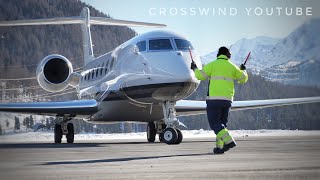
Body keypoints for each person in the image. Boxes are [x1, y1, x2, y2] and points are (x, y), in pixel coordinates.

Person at [191, 46, 248, 154]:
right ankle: (220, 147)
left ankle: (229, 141)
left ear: (218, 54)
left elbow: (200, 76)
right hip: (227, 100)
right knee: (222, 124)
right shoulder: (232, 67)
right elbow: (243, 79)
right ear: (228, 55)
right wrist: (243, 70)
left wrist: (194, 68)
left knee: (215, 123)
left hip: (214, 99)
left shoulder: (213, 65)